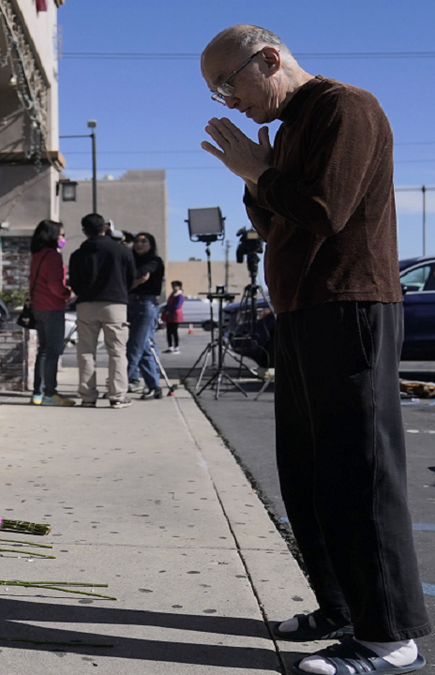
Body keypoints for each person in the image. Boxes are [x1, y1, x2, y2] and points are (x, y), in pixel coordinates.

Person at [201, 24, 429, 675]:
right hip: (302, 314)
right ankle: (342, 608)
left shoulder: (344, 107)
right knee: (307, 473)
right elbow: (276, 224)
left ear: (269, 58)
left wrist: (260, 170)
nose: (228, 101)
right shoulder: (291, 126)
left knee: (361, 470)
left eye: (228, 84)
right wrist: (257, 179)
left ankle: (391, 637)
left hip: (350, 306)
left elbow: (325, 209)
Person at [67, 213, 137, 409]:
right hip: (115, 304)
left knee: (86, 352)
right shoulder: (122, 251)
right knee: (117, 351)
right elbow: (131, 278)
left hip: (86, 304)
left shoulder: (78, 254)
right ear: (105, 228)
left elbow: (75, 283)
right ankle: (117, 396)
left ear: (84, 231)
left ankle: (88, 397)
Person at [27, 220, 75, 407]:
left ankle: (38, 393)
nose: (63, 238)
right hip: (52, 307)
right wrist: (67, 293)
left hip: (38, 307)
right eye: (61, 234)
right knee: (53, 351)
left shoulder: (37, 255)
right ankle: (49, 393)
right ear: (53, 236)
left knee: (44, 350)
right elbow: (55, 285)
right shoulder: (53, 256)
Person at [126, 233, 164, 399]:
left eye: (144, 241)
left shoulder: (155, 261)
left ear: (151, 244)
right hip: (130, 303)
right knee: (144, 346)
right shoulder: (130, 259)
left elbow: (139, 274)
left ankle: (120, 383)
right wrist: (134, 282)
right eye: (137, 242)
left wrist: (133, 282)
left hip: (146, 305)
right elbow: (129, 277)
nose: (139, 245)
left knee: (135, 346)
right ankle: (154, 386)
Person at [163, 281, 185, 354]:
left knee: (174, 331)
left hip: (175, 315)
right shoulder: (172, 295)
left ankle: (176, 347)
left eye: (175, 286)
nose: (173, 287)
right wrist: (165, 309)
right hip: (169, 315)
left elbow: (177, 305)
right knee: (169, 331)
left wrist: (169, 310)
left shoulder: (180, 296)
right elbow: (168, 303)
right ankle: (170, 347)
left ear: (179, 287)